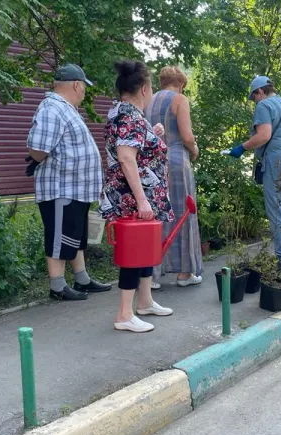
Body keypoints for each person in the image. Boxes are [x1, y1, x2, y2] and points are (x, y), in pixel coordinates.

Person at [27, 64, 112, 301]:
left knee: (74, 236)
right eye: (84, 86)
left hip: (75, 188)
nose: (84, 91)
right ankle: (57, 287)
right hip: (61, 188)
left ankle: (81, 279)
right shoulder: (52, 108)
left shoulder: (65, 108)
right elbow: (38, 148)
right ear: (76, 85)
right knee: (59, 237)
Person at [101, 60, 174, 333]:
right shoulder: (130, 116)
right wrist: (142, 200)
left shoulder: (123, 113)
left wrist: (152, 133)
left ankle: (144, 301)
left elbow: (132, 148)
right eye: (151, 88)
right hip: (133, 198)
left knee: (143, 249)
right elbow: (126, 157)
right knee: (133, 252)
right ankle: (124, 314)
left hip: (135, 195)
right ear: (144, 89)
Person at [227, 76, 281, 263]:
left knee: (278, 212)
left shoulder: (264, 105)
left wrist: (242, 148)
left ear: (260, 91)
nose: (255, 101)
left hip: (277, 164)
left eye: (254, 96)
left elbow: (263, 136)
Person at [146, 66, 204, 288]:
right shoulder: (179, 99)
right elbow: (187, 136)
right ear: (180, 84)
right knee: (183, 214)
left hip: (153, 163)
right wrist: (195, 149)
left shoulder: (148, 100)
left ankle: (151, 275)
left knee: (156, 216)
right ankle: (184, 273)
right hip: (177, 161)